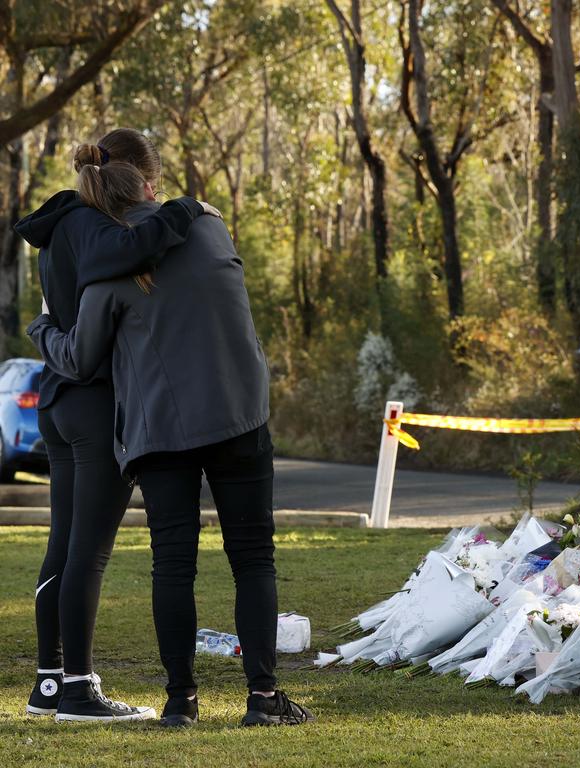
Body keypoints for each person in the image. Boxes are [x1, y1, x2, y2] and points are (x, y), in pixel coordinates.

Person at [27, 156, 314, 728]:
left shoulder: (107, 270)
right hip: (240, 416)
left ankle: (180, 700)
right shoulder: (210, 224)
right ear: (150, 186)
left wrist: (42, 330)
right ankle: (262, 698)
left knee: (173, 565)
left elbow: (82, 359)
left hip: (160, 430)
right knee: (253, 558)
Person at [15, 129, 219, 722]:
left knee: (64, 548)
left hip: (60, 401)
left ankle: (50, 684)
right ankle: (77, 688)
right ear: (134, 180)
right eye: (150, 188)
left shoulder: (65, 224)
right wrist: (186, 208)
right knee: (88, 554)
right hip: (92, 399)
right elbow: (129, 253)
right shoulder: (92, 226)